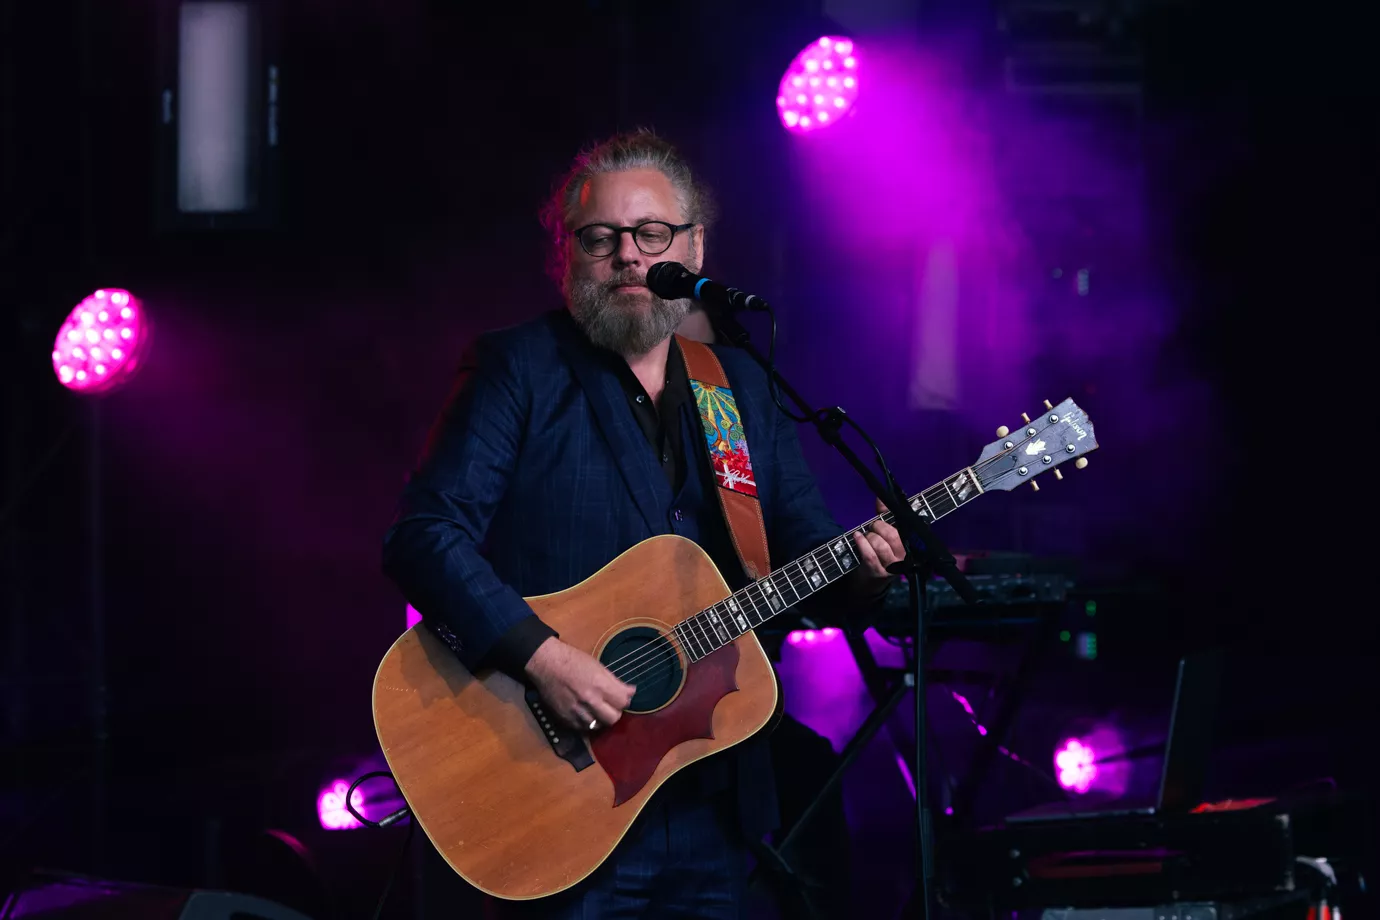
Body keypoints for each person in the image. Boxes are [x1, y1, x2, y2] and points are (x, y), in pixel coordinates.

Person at [382, 128, 902, 919]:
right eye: (601, 237)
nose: (629, 255)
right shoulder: (517, 368)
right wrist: (544, 659)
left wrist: (863, 573)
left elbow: (799, 562)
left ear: (693, 247)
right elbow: (423, 536)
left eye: (651, 233)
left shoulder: (738, 389)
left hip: (711, 800)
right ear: (566, 255)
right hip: (557, 801)